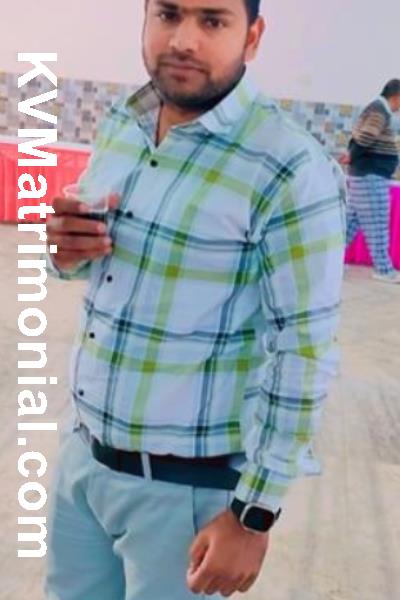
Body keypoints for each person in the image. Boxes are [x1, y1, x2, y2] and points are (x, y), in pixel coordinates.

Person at [45, 1, 345, 598]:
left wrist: (254, 514)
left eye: (212, 20)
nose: (183, 39)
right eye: (168, 14)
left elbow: (304, 352)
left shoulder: (287, 166)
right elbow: (99, 261)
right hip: (83, 461)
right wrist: (63, 254)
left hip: (187, 494)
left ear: (252, 37)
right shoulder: (126, 120)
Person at [346, 79, 400, 283]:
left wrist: (352, 155)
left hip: (364, 175)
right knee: (377, 223)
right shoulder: (380, 110)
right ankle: (383, 269)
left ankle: (327, 261)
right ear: (397, 97)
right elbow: (366, 137)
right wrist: (352, 155)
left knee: (350, 223)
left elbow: (360, 137)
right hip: (370, 176)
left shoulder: (376, 108)